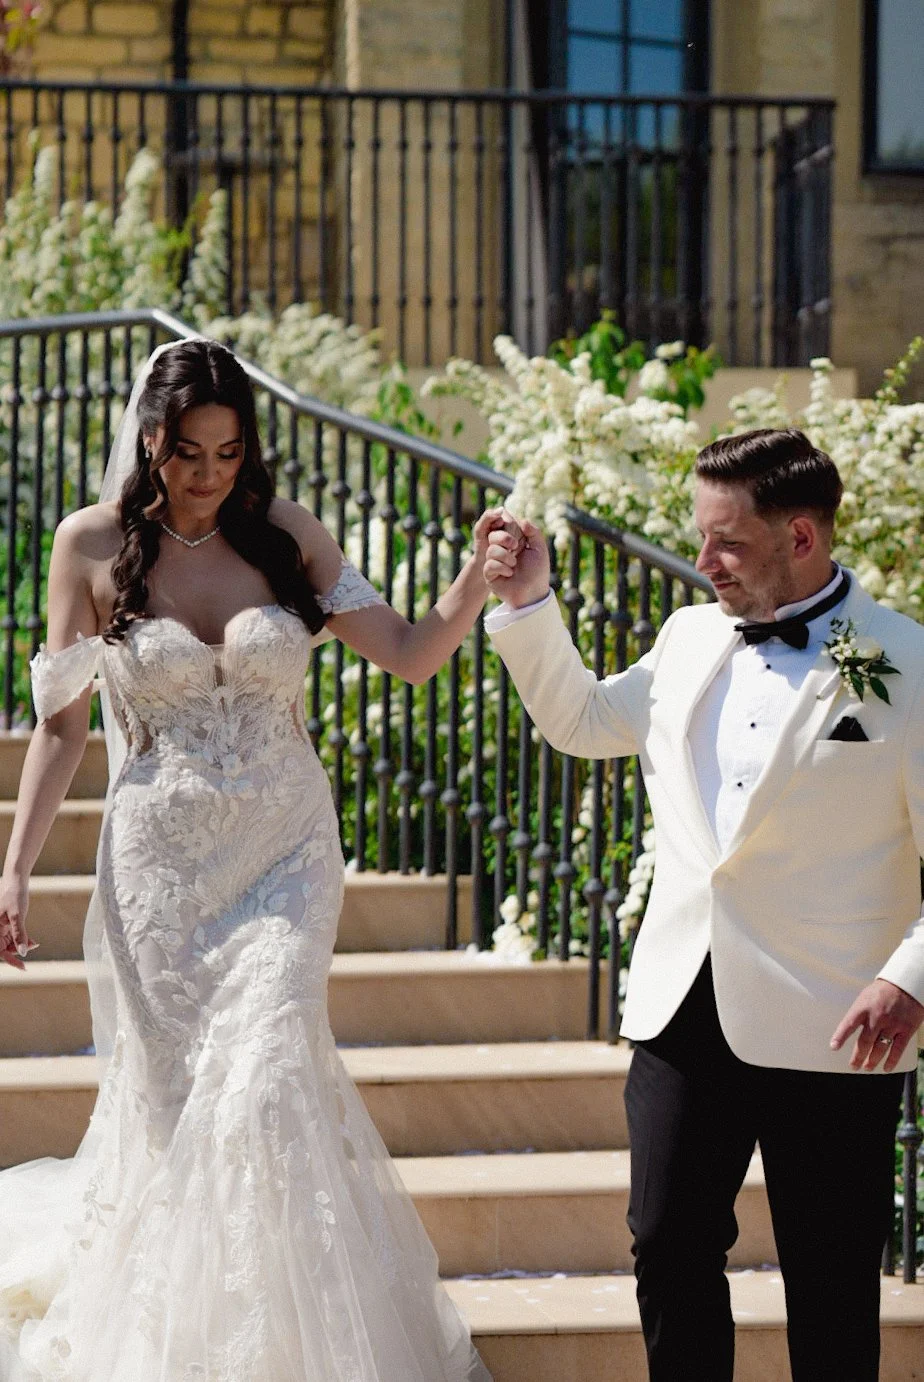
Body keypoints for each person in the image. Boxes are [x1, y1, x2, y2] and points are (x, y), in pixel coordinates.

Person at [0, 338, 504, 1381]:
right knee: (185, 1100)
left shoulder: (288, 536)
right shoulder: (89, 544)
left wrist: (476, 579)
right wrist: (11, 870)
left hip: (286, 853)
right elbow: (60, 729)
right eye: (189, 451)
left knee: (268, 1069)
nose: (209, 473)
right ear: (150, 438)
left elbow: (409, 653)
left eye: (228, 452)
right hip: (162, 871)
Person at [482, 427, 924, 1382]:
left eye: (727, 541)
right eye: (701, 535)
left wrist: (910, 980)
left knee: (832, 1278)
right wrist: (527, 606)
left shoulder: (908, 663)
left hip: (839, 1021)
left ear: (801, 537)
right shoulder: (687, 637)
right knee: (666, 1243)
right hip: (684, 1005)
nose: (703, 559)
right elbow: (584, 721)